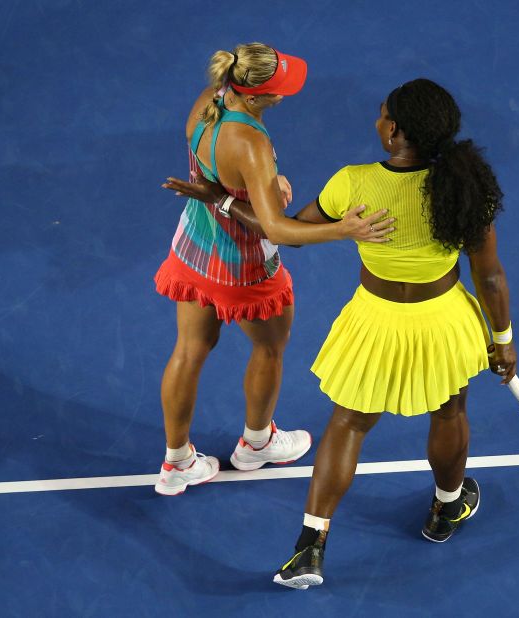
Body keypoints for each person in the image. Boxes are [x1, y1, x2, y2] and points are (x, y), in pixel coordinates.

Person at [269, 78, 517, 589]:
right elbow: (489, 276)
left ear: (396, 131)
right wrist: (503, 338)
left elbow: (289, 233)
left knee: (348, 424)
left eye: (382, 115)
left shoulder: (353, 182)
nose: (376, 122)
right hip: (443, 321)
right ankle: (446, 510)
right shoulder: (465, 190)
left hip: (375, 320)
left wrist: (225, 203)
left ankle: (309, 548)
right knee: (449, 410)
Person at [152, 42, 394, 496]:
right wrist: (344, 230)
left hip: (194, 248)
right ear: (259, 97)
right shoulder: (252, 142)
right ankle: (256, 444)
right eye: (279, 90)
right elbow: (278, 230)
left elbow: (217, 178)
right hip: (243, 264)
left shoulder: (208, 100)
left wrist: (248, 188)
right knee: (269, 349)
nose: (285, 95)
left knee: (189, 349)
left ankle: (177, 462)